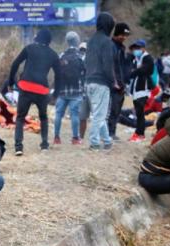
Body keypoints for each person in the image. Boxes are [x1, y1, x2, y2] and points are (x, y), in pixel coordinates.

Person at [8, 29, 61, 155]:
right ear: (49, 41)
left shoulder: (29, 48)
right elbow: (59, 75)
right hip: (41, 90)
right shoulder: (53, 54)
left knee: (20, 117)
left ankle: (18, 147)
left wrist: (11, 82)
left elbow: (15, 64)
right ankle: (44, 145)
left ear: (37, 38)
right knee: (43, 118)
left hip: (25, 87)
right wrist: (55, 94)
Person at [84, 13, 115, 150]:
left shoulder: (91, 40)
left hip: (89, 81)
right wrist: (112, 81)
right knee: (99, 115)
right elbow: (108, 64)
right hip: (101, 82)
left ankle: (107, 140)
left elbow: (86, 62)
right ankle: (94, 143)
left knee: (98, 113)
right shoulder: (107, 42)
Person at [53, 31, 85, 145]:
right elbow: (83, 73)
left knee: (58, 114)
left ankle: (56, 138)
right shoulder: (80, 56)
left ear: (67, 41)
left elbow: (57, 72)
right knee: (75, 115)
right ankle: (75, 138)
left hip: (62, 90)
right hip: (76, 90)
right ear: (77, 41)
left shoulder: (61, 55)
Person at [128, 39, 155, 142]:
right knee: (138, 112)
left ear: (144, 48)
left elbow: (145, 70)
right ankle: (138, 132)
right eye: (135, 48)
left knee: (140, 112)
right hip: (136, 88)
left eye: (139, 48)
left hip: (143, 88)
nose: (136, 50)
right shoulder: (137, 58)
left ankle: (140, 134)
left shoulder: (148, 58)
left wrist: (134, 71)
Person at [108, 22, 131, 141]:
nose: (124, 37)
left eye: (126, 35)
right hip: (113, 84)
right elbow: (111, 66)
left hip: (121, 83)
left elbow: (122, 66)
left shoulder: (121, 48)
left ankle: (112, 131)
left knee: (117, 109)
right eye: (122, 35)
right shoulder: (111, 46)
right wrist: (115, 82)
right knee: (112, 109)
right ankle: (109, 132)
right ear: (117, 33)